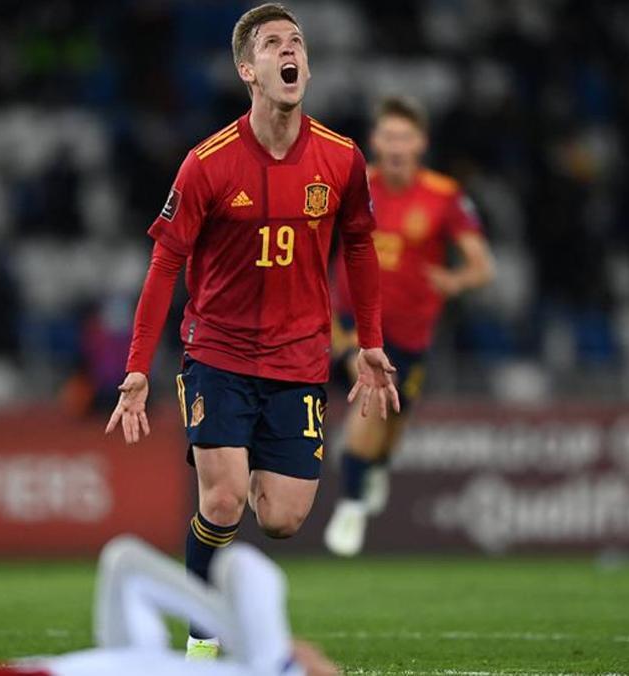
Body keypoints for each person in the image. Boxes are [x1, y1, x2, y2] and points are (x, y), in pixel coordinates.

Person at [103, 3, 400, 657]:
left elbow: (359, 247)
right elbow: (164, 264)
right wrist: (135, 364)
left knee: (284, 518)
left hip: (298, 361)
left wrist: (371, 340)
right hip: (219, 354)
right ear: (249, 69)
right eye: (273, 43)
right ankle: (202, 640)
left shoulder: (342, 160)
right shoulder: (207, 164)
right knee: (226, 499)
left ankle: (224, 581)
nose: (290, 51)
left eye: (297, 42)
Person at [323, 96, 494, 557]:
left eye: (405, 137)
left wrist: (454, 280)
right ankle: (352, 503)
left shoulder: (445, 196)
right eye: (388, 136)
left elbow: (483, 266)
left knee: (394, 420)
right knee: (372, 399)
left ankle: (374, 463)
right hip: (354, 321)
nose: (396, 145)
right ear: (375, 141)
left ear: (421, 143)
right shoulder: (352, 184)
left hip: (412, 331)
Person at [0, 536, 339, 676]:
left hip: (131, 662)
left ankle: (273, 657)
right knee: (243, 565)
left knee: (124, 562)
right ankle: (276, 660)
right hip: (262, 667)